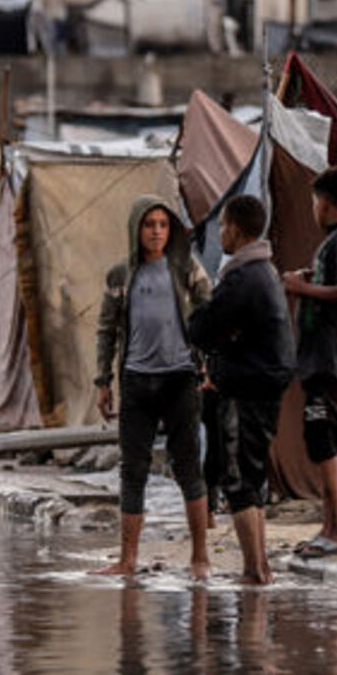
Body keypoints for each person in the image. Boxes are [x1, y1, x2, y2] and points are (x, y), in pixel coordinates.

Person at [94, 195, 213, 579]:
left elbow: (209, 308)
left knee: (188, 468)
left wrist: (207, 361)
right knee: (133, 470)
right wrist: (102, 380)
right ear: (136, 229)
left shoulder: (184, 268)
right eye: (150, 225)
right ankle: (127, 559)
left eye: (163, 225)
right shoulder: (120, 275)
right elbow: (106, 329)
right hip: (135, 380)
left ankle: (200, 558)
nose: (157, 232)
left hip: (180, 378)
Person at [188, 195, 296, 584]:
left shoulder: (242, 277)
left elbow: (202, 329)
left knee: (238, 480)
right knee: (252, 474)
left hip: (247, 384)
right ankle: (260, 566)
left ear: (234, 227)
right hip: (265, 379)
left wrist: (217, 332)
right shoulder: (263, 271)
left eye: (221, 227)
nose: (220, 234)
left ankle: (254, 569)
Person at [283, 165, 337, 557]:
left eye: (316, 202)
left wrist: (303, 288)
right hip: (318, 358)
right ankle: (330, 527)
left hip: (331, 357)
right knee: (321, 440)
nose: (314, 209)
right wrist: (308, 280)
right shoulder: (332, 244)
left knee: (326, 440)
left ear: (329, 203)